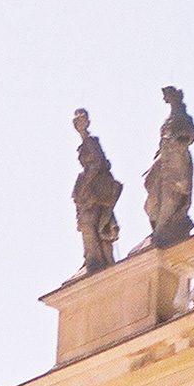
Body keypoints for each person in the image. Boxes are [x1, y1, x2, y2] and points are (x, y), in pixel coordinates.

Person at [71, 108, 122, 273]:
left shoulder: (91, 142)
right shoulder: (85, 144)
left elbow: (97, 164)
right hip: (89, 188)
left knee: (91, 223)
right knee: (87, 224)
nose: (79, 125)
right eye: (77, 123)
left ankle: (95, 261)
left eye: (81, 121)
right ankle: (92, 259)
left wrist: (85, 185)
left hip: (94, 189)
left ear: (86, 123)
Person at [144, 86, 194, 247]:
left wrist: (175, 140)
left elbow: (190, 134)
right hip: (164, 159)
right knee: (153, 195)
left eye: (166, 95)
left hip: (176, 160)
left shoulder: (183, 115)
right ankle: (160, 228)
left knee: (171, 195)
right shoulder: (171, 117)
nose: (164, 99)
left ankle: (163, 229)